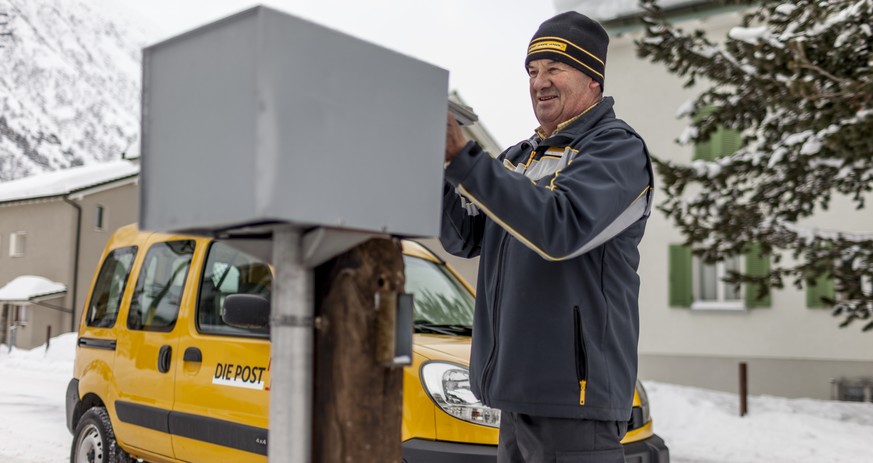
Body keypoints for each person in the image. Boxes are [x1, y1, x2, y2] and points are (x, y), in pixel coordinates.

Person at [441, 11, 654, 463]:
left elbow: (562, 228)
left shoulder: (617, 149)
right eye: (533, 71)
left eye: (555, 68)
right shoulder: (519, 157)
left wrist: (465, 157)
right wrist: (439, 166)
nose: (541, 82)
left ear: (593, 78)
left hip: (575, 403)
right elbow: (464, 238)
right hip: (515, 396)